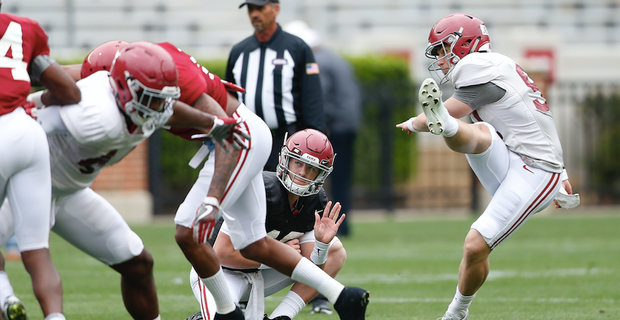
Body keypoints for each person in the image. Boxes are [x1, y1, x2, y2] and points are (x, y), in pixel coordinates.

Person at [0, 41, 245, 320]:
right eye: (151, 98)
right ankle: (6, 297)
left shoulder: (142, 102)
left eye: (160, 98)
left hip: (70, 193)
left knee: (139, 263)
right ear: (121, 85)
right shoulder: (91, 112)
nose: (158, 107)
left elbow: (168, 109)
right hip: (27, 189)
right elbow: (29, 120)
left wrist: (211, 124)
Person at [396, 13, 579, 320]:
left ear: (465, 43)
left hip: (537, 169)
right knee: (480, 133)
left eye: (443, 50)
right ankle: (448, 126)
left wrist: (416, 123)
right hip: (512, 156)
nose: (440, 60)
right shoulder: (498, 65)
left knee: (474, 246)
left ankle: (457, 312)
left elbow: (459, 108)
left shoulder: (476, 66)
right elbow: (539, 119)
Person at [185, 129, 347, 320]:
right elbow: (223, 253)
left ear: (321, 174)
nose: (302, 173)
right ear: (285, 160)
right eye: (298, 163)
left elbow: (315, 272)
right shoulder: (259, 189)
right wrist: (279, 254)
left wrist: (321, 245)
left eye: (311, 168)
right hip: (216, 272)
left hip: (258, 275)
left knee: (335, 251)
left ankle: (282, 317)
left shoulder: (314, 201)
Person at [0, 3, 81, 320]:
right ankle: (55, 317)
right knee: (36, 248)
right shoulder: (25, 28)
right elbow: (69, 90)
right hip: (27, 133)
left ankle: (6, 299)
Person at [226, 0, 325, 172]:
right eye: (251, 9)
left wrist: (313, 143)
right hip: (248, 141)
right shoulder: (239, 51)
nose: (254, 14)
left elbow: (312, 99)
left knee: (283, 196)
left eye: (260, 8)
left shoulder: (297, 48)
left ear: (275, 9)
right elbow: (229, 98)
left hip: (286, 141)